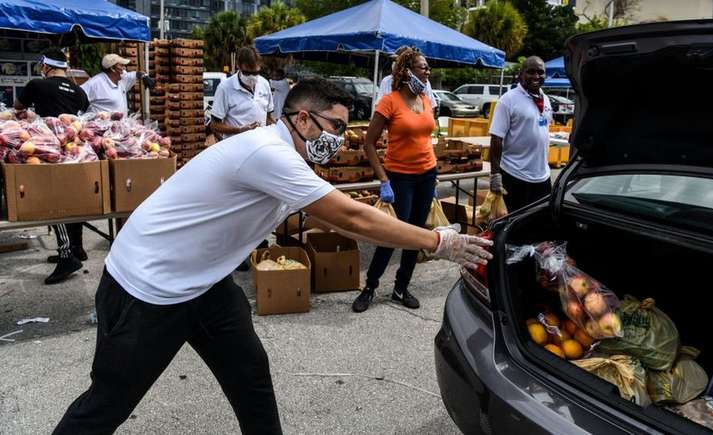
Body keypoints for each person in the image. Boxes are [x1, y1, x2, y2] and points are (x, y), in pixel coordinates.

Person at [51, 77, 491, 435]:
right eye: (336, 127)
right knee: (108, 403)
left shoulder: (286, 156)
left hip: (203, 283)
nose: (341, 139)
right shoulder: (270, 153)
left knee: (249, 373)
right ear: (302, 118)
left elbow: (333, 219)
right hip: (147, 287)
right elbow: (351, 218)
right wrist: (438, 242)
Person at [351, 48, 438, 313]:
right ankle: (370, 287)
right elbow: (368, 143)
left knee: (417, 235)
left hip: (427, 174)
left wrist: (434, 173)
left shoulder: (425, 98)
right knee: (392, 235)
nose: (427, 72)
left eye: (427, 68)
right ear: (407, 71)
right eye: (423, 68)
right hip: (400, 178)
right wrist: (383, 180)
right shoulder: (389, 102)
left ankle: (402, 287)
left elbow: (426, 136)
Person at [14, 48, 90, 285]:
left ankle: (67, 256)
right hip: (76, 150)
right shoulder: (79, 91)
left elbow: (18, 106)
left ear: (45, 65)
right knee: (73, 200)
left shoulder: (37, 84)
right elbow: (82, 114)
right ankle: (76, 248)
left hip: (50, 150)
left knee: (54, 203)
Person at [488, 56, 553, 213]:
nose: (536, 76)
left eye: (540, 72)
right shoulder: (508, 100)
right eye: (531, 72)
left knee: (539, 225)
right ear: (520, 74)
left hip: (542, 176)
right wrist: (495, 175)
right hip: (514, 175)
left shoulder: (546, 99)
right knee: (515, 226)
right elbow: (496, 139)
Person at [210, 47, 274, 141]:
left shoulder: (264, 84)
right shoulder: (225, 88)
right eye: (247, 73)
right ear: (238, 66)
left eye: (255, 73)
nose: (252, 77)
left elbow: (268, 118)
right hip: (237, 147)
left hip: (261, 145)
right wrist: (239, 130)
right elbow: (215, 125)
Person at [80, 53, 154, 115]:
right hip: (101, 129)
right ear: (112, 68)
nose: (124, 68)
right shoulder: (95, 83)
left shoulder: (122, 79)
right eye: (121, 65)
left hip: (120, 128)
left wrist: (144, 76)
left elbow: (136, 74)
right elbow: (77, 95)